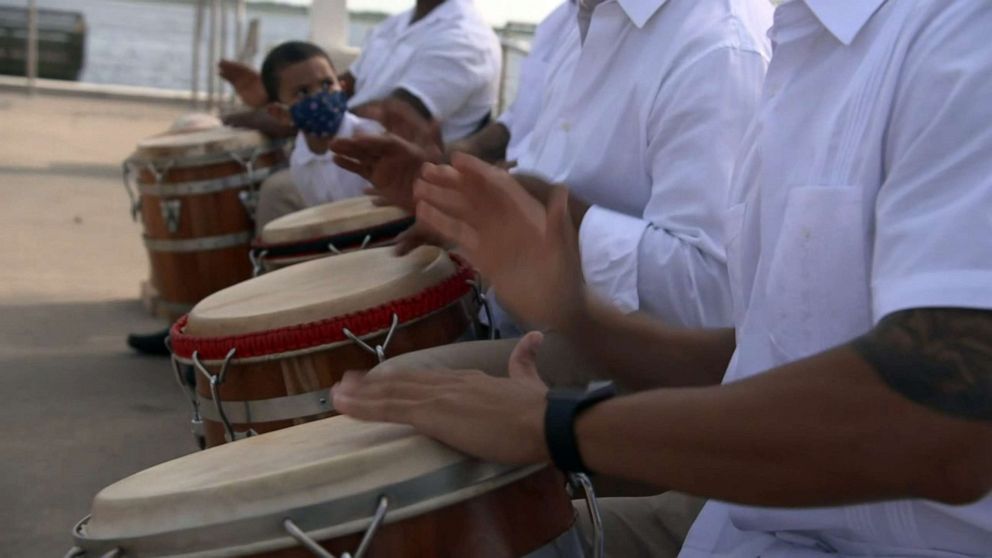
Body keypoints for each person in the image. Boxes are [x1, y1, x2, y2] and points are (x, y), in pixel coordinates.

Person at [332, 1, 992, 556]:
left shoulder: (957, 36)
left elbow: (947, 420)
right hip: (743, 523)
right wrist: (580, 316)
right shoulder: (807, 45)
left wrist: (561, 426)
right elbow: (763, 349)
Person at [332, 0, 774, 337]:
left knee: (382, 393)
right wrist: (457, 197)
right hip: (517, 316)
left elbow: (712, 299)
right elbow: (541, 171)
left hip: (616, 376)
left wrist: (540, 211)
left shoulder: (720, 46)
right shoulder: (584, 22)